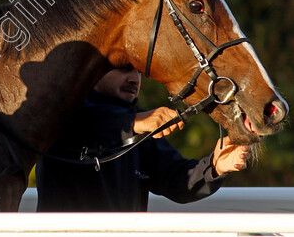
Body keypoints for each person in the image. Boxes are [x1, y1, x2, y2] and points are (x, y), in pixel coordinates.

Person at [35, 64, 251, 212]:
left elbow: (179, 182)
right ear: (92, 72)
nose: (134, 79)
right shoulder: (61, 115)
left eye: (139, 72)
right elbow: (88, 123)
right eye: (123, 69)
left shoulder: (144, 131)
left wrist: (215, 167)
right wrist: (135, 122)